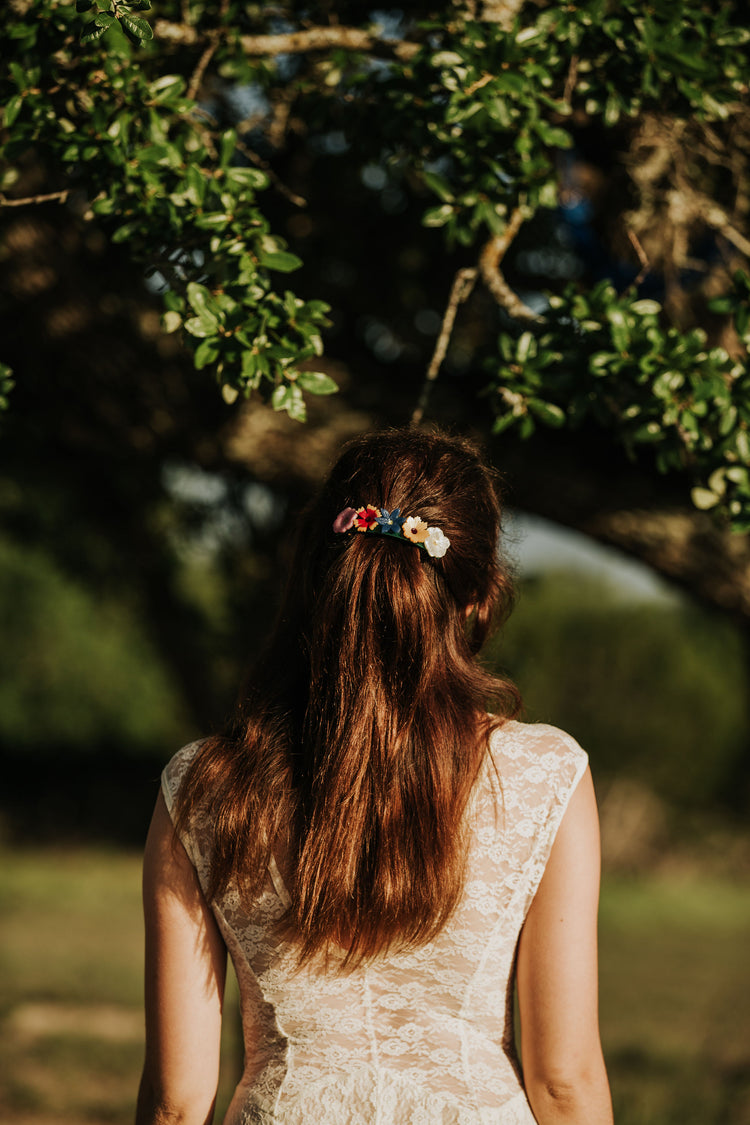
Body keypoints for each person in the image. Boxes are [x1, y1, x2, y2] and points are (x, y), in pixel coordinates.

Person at [136, 427, 613, 1125]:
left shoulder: (206, 780)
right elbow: (563, 1080)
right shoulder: (546, 774)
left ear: (314, 580)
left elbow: (178, 1101)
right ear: (481, 594)